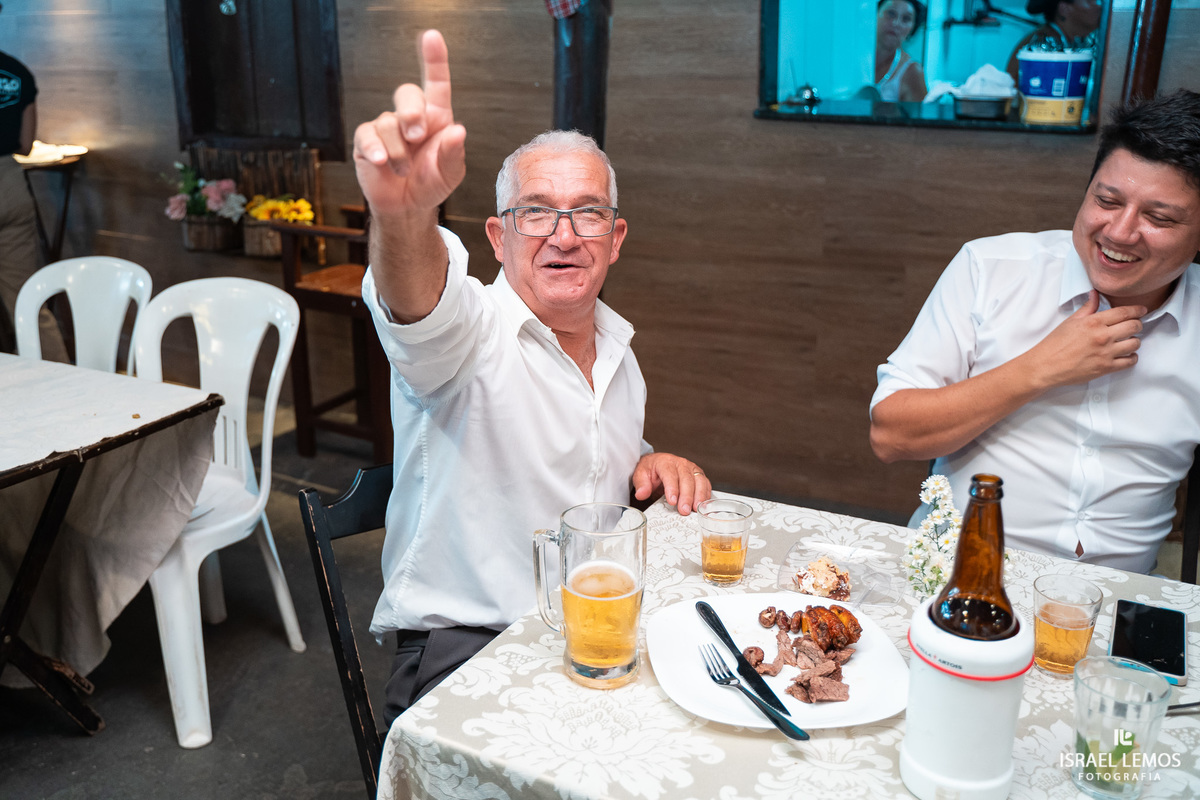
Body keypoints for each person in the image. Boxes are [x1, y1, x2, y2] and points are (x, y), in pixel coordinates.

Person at [353, 30, 712, 722]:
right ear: (497, 236)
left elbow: (579, 449)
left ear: (616, 238)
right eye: (537, 211)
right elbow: (417, 307)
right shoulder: (469, 333)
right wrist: (404, 217)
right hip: (466, 649)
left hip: (588, 625)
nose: (565, 234)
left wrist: (648, 457)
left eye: (588, 213)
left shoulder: (617, 353)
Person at [870, 89, 1200, 575]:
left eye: (1159, 218)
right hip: (957, 571)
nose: (1119, 232)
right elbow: (890, 434)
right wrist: (1040, 369)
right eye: (1106, 200)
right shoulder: (992, 268)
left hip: (1121, 597)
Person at [0, 10, 39, 354]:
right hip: (11, 183)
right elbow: (27, 146)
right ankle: (62, 386)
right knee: (26, 300)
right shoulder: (18, 73)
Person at [1005, 0, 1102, 84]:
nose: (1099, 6)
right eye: (1090, 1)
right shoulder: (1045, 43)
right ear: (1064, 9)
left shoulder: (1068, 40)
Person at [875, 0, 927, 103]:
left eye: (906, 19)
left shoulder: (913, 72)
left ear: (912, 29)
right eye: (891, 13)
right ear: (875, 14)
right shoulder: (854, 58)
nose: (896, 23)